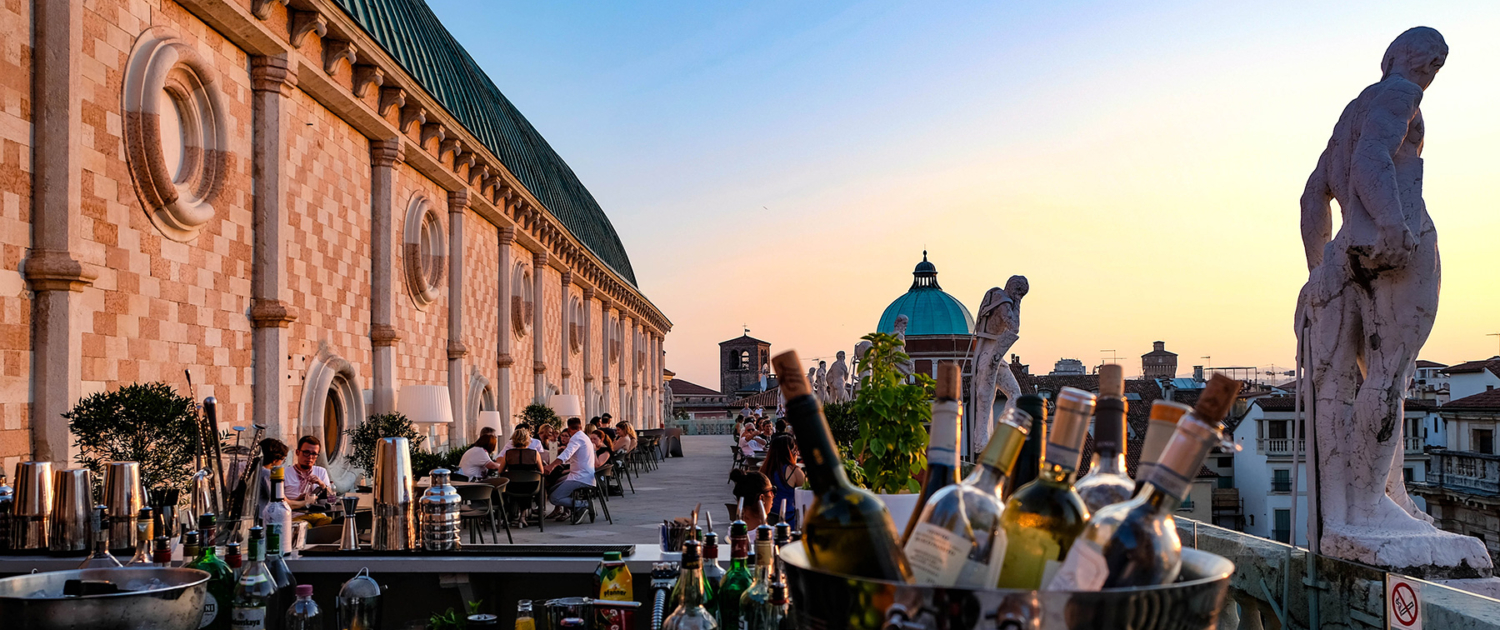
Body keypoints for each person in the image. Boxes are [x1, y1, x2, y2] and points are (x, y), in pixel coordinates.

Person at [543, 417, 596, 524]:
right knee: (552, 489)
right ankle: (576, 509)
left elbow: (567, 454)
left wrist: (551, 466)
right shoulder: (584, 437)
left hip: (581, 477)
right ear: (580, 426)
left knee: (554, 498)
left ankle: (584, 505)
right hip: (581, 475)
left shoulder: (577, 438)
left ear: (568, 429)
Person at [760, 435, 805, 527]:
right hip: (789, 521)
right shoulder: (794, 471)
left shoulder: (764, 469)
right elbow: (806, 493)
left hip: (767, 521)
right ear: (790, 451)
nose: (797, 453)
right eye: (796, 450)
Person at [284, 436, 334, 509]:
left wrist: (322, 484)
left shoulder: (321, 471)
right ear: (297, 452)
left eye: (314, 454)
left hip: (318, 514)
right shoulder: (285, 473)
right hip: (294, 515)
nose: (310, 457)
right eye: (306, 452)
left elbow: (331, 499)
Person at [256, 438, 288, 516]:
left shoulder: (256, 470)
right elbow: (280, 501)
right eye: (283, 459)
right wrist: (305, 502)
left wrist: (298, 499)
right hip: (263, 517)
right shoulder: (267, 473)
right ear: (274, 460)